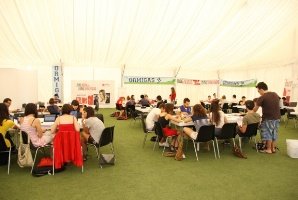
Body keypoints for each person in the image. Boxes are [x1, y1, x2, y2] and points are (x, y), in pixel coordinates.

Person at [253, 82, 280, 154]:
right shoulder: (275, 94)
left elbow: (255, 109)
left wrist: (249, 112)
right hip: (277, 117)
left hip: (268, 117)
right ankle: (273, 148)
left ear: (261, 89)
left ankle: (268, 149)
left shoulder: (262, 97)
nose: (259, 93)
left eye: (258, 91)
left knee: (268, 133)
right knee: (274, 133)